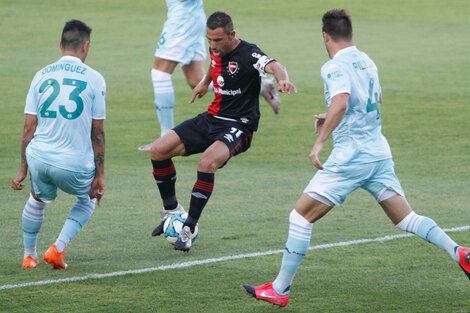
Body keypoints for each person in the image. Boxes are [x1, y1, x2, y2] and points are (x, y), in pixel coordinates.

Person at [241, 9, 470, 307]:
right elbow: (375, 99)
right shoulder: (367, 60)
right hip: (378, 153)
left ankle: (280, 289)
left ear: (325, 36)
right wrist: (331, 118)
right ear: (350, 34)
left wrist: (320, 141)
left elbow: (343, 100)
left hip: (351, 157)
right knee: (406, 218)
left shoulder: (333, 66)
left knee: (300, 216)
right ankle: (460, 252)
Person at [149, 11, 297, 252]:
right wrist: (204, 82)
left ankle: (188, 228)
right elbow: (215, 63)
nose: (213, 45)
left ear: (232, 35)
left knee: (207, 163)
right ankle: (171, 210)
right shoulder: (215, 49)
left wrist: (283, 79)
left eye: (218, 40)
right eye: (209, 40)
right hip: (212, 118)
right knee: (158, 150)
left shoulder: (249, 53)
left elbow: (275, 65)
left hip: (239, 125)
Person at [11, 20, 106, 270]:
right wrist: (100, 176)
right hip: (74, 163)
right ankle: (57, 249)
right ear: (85, 46)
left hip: (39, 158)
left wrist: (23, 169)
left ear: (60, 45)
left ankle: (28, 256)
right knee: (89, 197)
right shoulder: (95, 79)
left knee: (36, 198)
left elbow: (28, 127)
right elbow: (97, 133)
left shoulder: (40, 75)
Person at [138, 1, 281, 151]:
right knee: (196, 81)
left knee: (160, 73)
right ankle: (258, 87)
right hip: (190, 17)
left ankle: (165, 136)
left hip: (183, 19)